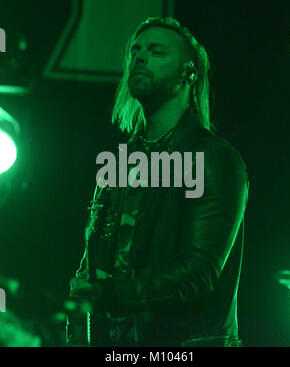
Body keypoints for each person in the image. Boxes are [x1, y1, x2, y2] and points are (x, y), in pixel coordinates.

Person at [66, 16, 249, 347]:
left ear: (188, 72)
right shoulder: (120, 162)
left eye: (156, 51)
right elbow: (90, 266)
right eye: (135, 50)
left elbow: (197, 276)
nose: (139, 57)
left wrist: (106, 293)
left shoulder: (212, 158)